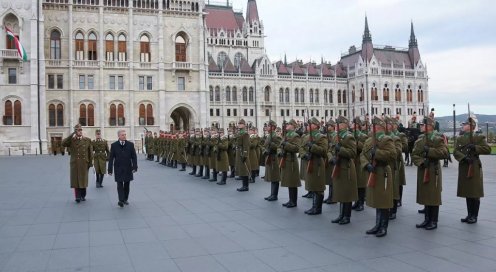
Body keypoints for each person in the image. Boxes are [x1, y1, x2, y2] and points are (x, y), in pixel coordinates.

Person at [360, 116, 396, 237]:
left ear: (378, 127)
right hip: (372, 170)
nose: (370, 128)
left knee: (383, 200)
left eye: (372, 126)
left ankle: (383, 227)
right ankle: (377, 224)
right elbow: (362, 155)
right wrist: (366, 165)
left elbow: (392, 155)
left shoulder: (386, 139)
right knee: (376, 199)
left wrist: (378, 153)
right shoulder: (369, 140)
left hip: (382, 172)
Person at [412, 117, 449, 230]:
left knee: (433, 195)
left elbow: (444, 153)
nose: (421, 126)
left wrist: (430, 151)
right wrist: (422, 162)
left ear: (430, 126)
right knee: (425, 194)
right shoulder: (420, 139)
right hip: (424, 168)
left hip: (433, 169)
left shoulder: (438, 139)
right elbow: (414, 155)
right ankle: (427, 219)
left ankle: (434, 221)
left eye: (423, 125)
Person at [454, 116, 491, 224]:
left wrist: (475, 147)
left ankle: (474, 216)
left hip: (474, 165)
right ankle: (469, 214)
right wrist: (464, 158)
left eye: (465, 124)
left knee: (474, 192)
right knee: (467, 191)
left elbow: (487, 149)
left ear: (471, 127)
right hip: (465, 165)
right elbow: (456, 152)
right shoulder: (460, 138)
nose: (463, 126)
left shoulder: (478, 138)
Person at [330, 116, 358, 225]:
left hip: (346, 167)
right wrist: (333, 157)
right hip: (338, 165)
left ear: (345, 125)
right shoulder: (337, 136)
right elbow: (332, 149)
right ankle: (341, 214)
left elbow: (352, 153)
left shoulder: (348, 137)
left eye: (339, 123)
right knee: (340, 191)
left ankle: (347, 216)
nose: (337, 125)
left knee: (346, 192)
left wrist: (340, 149)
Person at [302, 117, 328, 215]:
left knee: (318, 186)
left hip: (317, 163)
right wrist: (305, 154)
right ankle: (313, 207)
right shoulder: (307, 136)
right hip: (310, 162)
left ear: (316, 125)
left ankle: (317, 208)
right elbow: (302, 147)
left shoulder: (321, 137)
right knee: (312, 184)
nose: (308, 126)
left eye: (311, 124)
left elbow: (324, 151)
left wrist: (313, 147)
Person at [62, 124, 93, 203]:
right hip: (75, 163)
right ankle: (77, 196)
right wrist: (72, 134)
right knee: (76, 180)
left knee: (83, 180)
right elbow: (63, 143)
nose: (79, 131)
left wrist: (90, 163)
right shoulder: (72, 140)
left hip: (84, 163)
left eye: (80, 130)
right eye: (77, 130)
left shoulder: (87, 140)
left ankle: (83, 195)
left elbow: (90, 153)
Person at [108, 129, 138, 208]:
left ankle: (125, 199)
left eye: (125, 134)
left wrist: (134, 167)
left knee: (127, 185)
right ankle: (120, 200)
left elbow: (134, 157)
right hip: (118, 168)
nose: (124, 136)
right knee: (119, 184)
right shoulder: (114, 145)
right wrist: (110, 170)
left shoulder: (130, 145)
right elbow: (111, 158)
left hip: (128, 168)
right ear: (118, 136)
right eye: (122, 135)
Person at [279, 119, 301, 208]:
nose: (287, 125)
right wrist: (281, 150)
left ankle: (293, 201)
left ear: (293, 126)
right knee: (288, 180)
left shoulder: (295, 135)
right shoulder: (287, 134)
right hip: (286, 158)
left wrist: (286, 145)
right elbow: (281, 145)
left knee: (292, 181)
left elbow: (296, 148)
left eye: (288, 124)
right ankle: (290, 200)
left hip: (291, 160)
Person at [263, 120, 282, 201]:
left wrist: (272, 146)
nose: (267, 127)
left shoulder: (275, 136)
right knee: (271, 176)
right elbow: (264, 146)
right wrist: (265, 151)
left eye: (268, 126)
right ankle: (272, 194)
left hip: (274, 158)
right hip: (269, 157)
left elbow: (279, 147)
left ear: (273, 127)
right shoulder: (269, 135)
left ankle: (274, 195)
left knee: (274, 177)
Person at [236, 119, 251, 191]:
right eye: (239, 123)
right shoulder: (239, 133)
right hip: (239, 152)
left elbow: (246, 145)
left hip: (242, 152)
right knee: (241, 169)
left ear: (244, 125)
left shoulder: (245, 133)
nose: (239, 125)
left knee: (244, 169)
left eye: (241, 124)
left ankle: (246, 186)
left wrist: (245, 154)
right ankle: (243, 185)